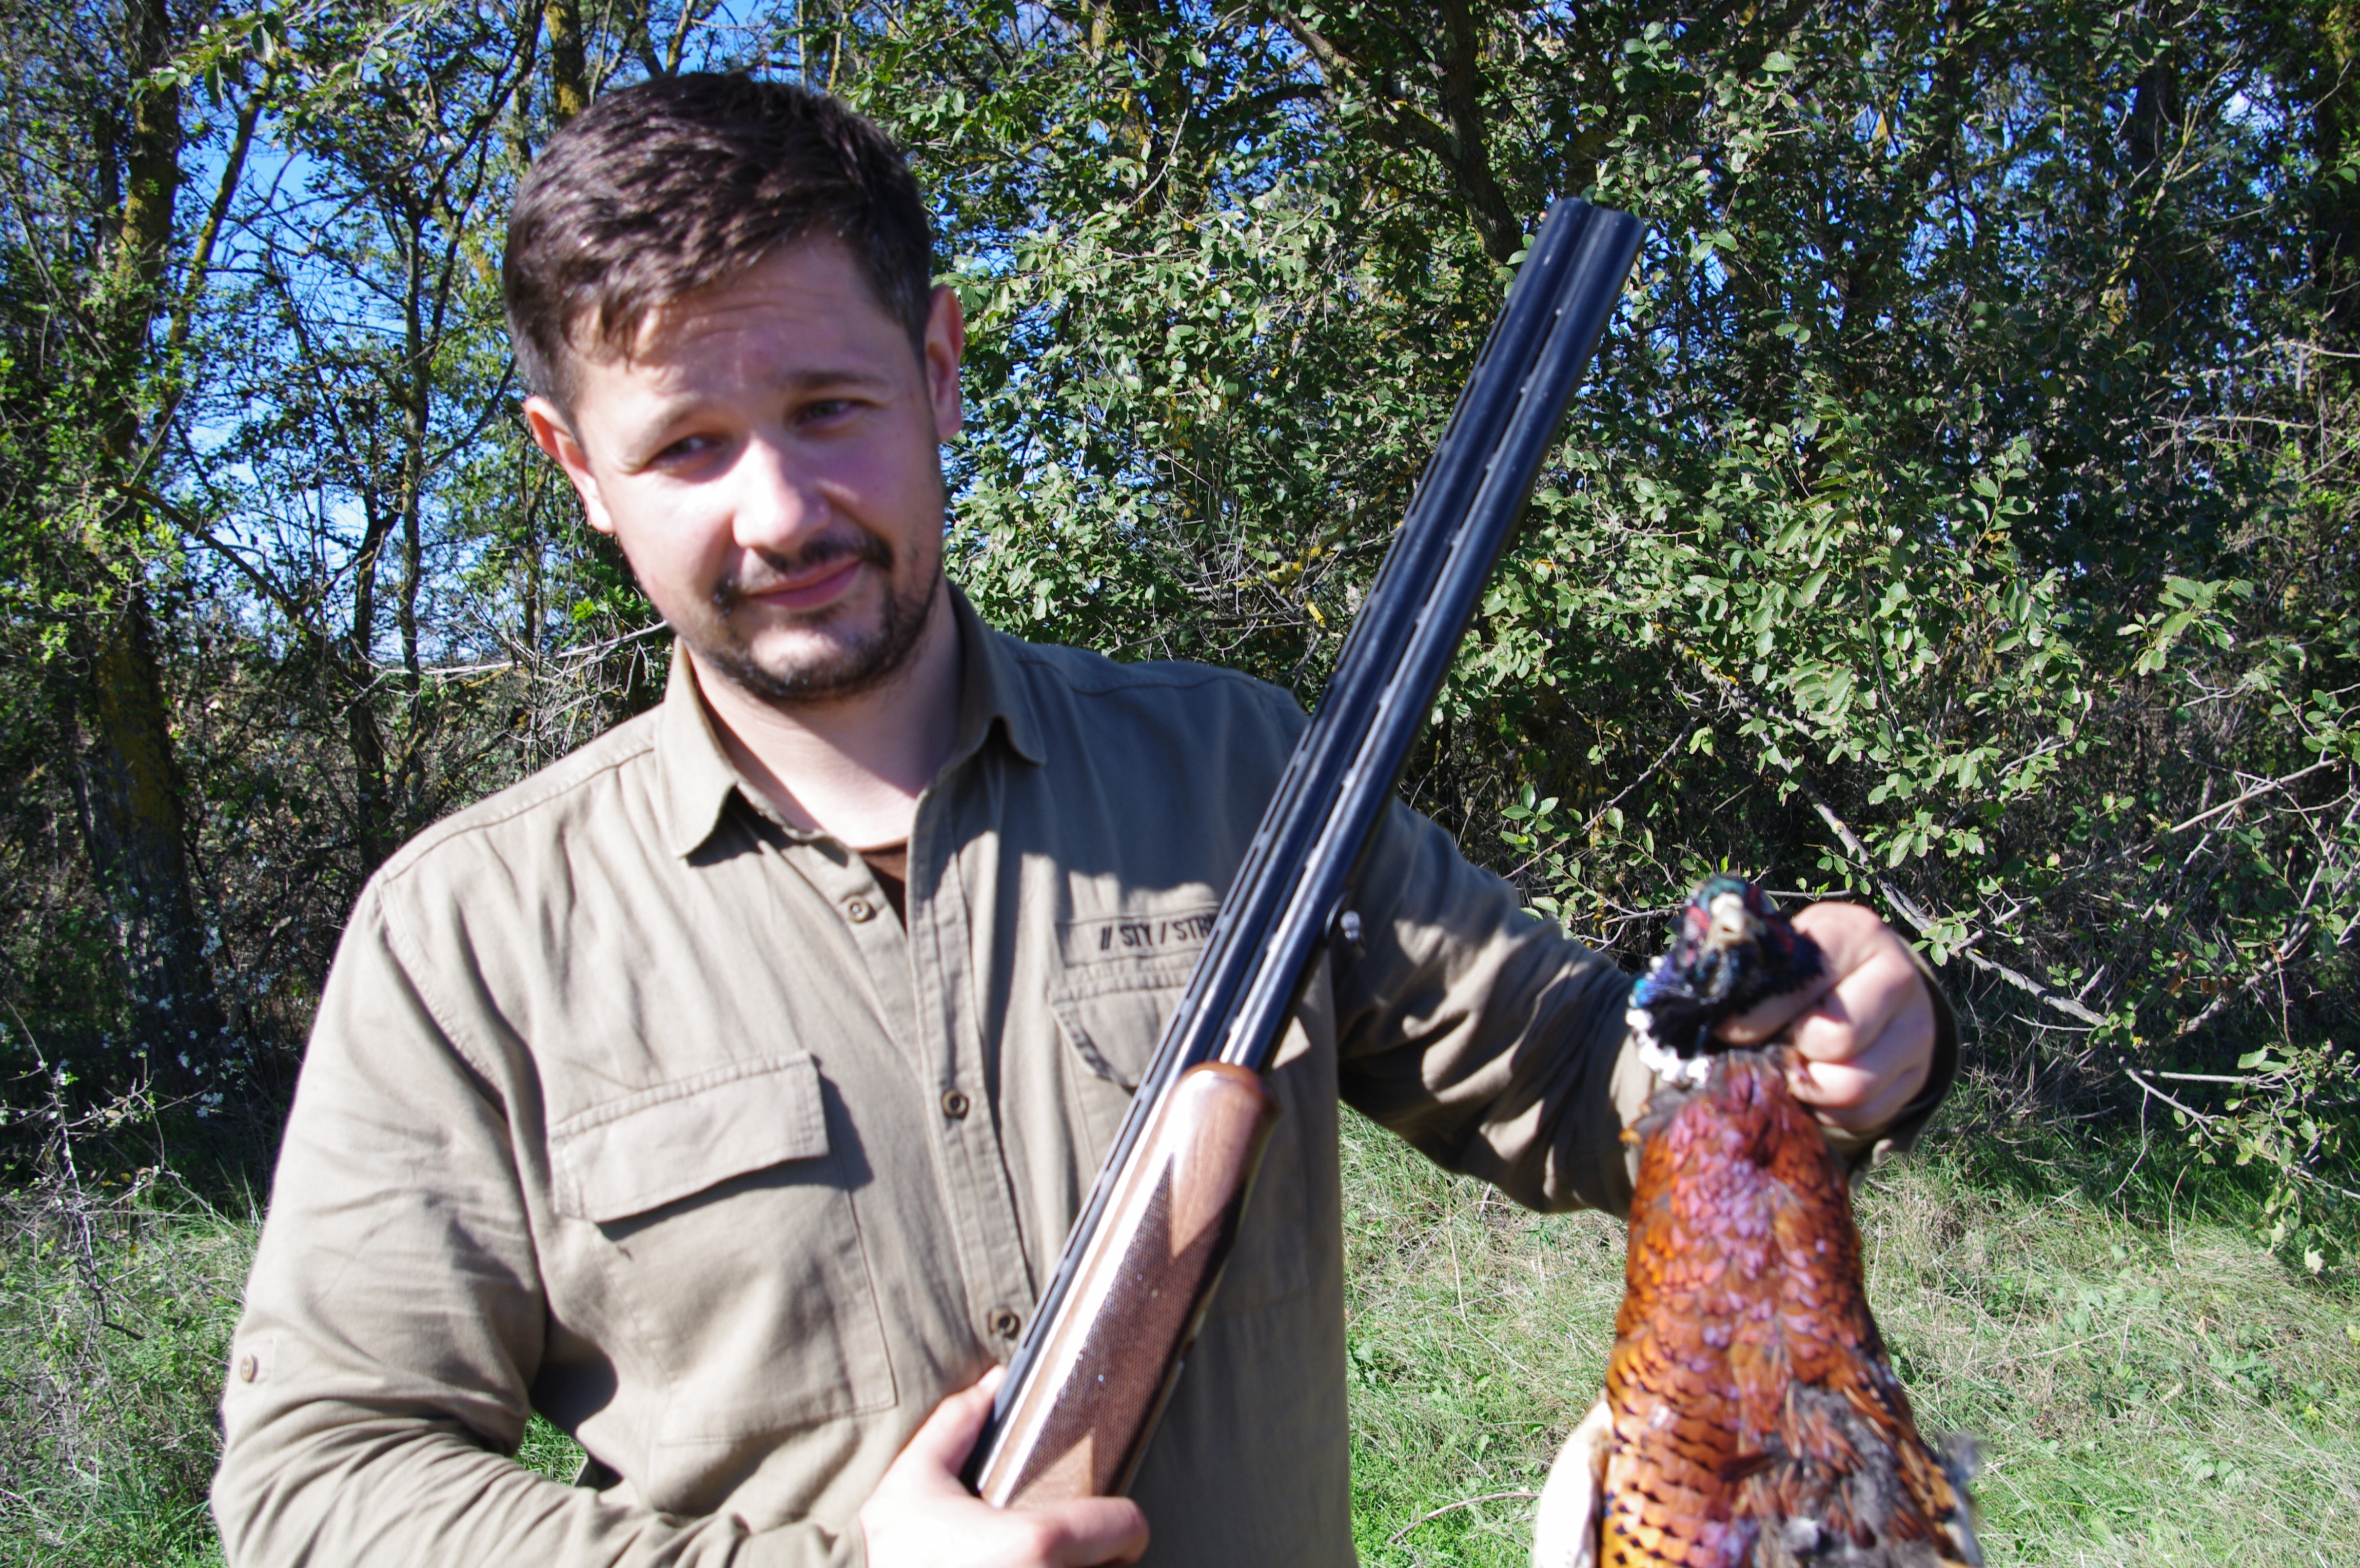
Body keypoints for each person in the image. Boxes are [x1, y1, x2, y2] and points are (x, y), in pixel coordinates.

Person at [210, 73, 1952, 1568]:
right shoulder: (470, 938)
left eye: (828, 409)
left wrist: (1822, 1031)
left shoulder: (1244, 774)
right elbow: (319, 1484)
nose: (782, 509)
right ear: (575, 466)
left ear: (940, 370)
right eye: (687, 447)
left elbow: (1584, 1083)